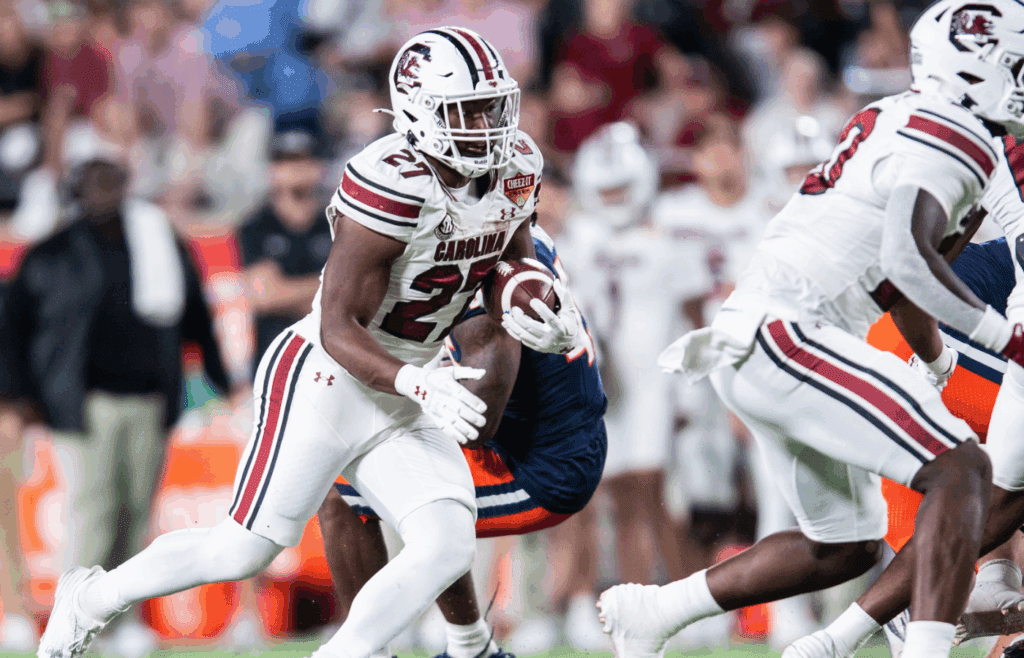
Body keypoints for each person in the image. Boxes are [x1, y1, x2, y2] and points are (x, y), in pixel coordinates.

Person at [36, 26, 582, 658]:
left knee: (446, 542)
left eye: (493, 107)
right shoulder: (393, 181)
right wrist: (418, 382)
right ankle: (92, 597)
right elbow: (337, 325)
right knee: (242, 549)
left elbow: (507, 263)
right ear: (419, 111)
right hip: (329, 375)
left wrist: (542, 307)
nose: (489, 126)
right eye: (470, 111)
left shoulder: (515, 166)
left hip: (411, 379)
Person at [599, 3, 1024, 658]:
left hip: (757, 335)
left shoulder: (901, 117)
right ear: (973, 69)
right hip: (794, 334)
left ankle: (656, 611)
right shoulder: (956, 135)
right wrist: (1005, 340)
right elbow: (910, 262)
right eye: (1016, 66)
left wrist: (939, 365)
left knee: (845, 547)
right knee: (961, 470)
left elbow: (906, 280)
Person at [318, 221, 606, 658]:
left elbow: (474, 423)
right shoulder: (507, 236)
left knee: (344, 494)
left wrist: (413, 385)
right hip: (547, 436)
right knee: (411, 476)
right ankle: (471, 647)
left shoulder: (483, 293)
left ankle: (373, 650)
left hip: (541, 467)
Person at [0, 152, 233, 655]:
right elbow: (16, 332)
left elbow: (197, 313)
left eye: (113, 181)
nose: (104, 192)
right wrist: (18, 398)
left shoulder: (158, 242)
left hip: (150, 397)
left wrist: (221, 379)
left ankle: (123, 622)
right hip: (84, 403)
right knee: (93, 512)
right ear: (77, 191)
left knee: (136, 513)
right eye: (95, 182)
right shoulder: (52, 253)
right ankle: (73, 623)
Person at [560, 122, 694, 595]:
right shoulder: (578, 237)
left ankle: (683, 597)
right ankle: (627, 598)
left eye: (621, 188)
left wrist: (687, 390)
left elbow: (690, 315)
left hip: (655, 379)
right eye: (606, 190)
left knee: (657, 492)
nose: (614, 198)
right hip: (604, 382)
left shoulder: (669, 234)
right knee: (614, 496)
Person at [238, 130, 333, 374]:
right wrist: (327, 287)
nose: (295, 169)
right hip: (275, 360)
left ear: (319, 167)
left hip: (328, 361)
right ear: (271, 170)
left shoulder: (337, 225)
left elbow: (350, 295)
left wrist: (289, 292)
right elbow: (265, 296)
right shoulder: (255, 226)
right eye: (285, 161)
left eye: (304, 160)